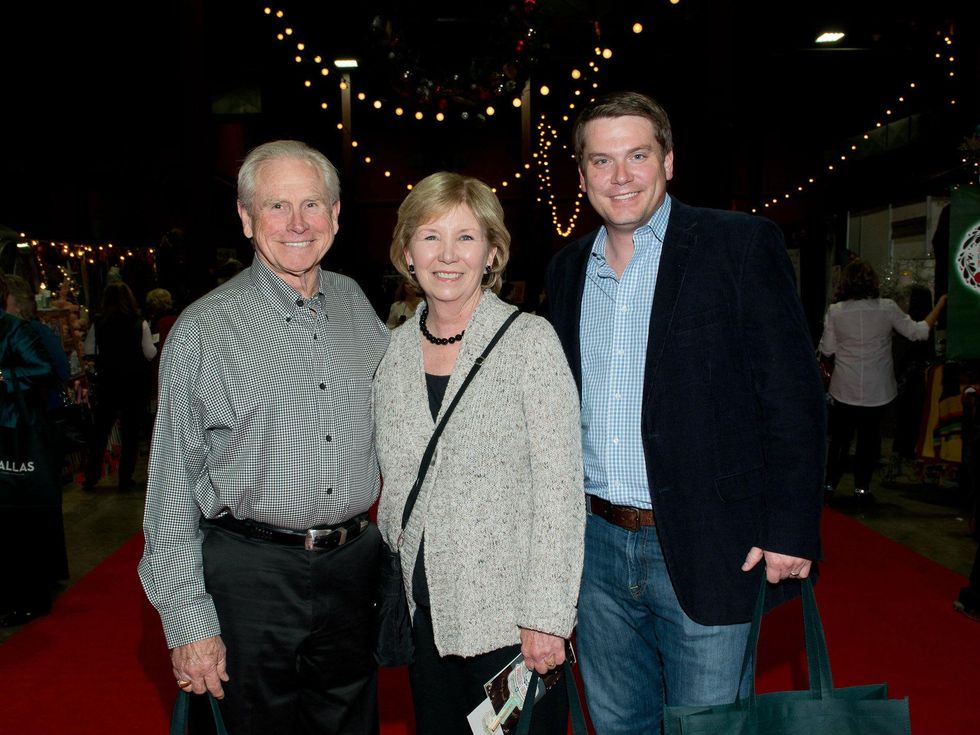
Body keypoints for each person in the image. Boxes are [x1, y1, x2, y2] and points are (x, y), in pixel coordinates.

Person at [544, 91, 827, 733]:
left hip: (714, 544)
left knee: (710, 726)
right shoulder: (565, 272)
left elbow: (793, 396)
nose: (620, 177)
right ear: (582, 173)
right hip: (596, 549)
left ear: (668, 161)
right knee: (618, 726)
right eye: (601, 161)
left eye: (637, 156)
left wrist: (790, 526)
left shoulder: (739, 245)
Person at [138, 140, 390, 734]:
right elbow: (171, 485)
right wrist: (188, 621)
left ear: (335, 215)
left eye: (312, 205)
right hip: (249, 576)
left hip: (353, 570)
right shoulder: (203, 328)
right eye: (277, 207)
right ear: (247, 219)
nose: (297, 224)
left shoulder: (356, 304)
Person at [374, 171, 584, 734]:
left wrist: (546, 614)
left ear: (492, 252)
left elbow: (561, 489)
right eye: (430, 236)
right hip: (426, 616)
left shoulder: (529, 342)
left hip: (511, 623)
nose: (447, 255)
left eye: (466, 237)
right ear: (406, 251)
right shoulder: (391, 354)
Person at [818, 259, 946, 502]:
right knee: (869, 439)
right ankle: (862, 490)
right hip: (878, 389)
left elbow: (828, 348)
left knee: (840, 439)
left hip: (845, 386)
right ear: (873, 282)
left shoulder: (836, 311)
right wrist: (939, 304)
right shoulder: (887, 308)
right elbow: (917, 332)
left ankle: (829, 486)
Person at [0, 273, 67, 627]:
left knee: (20, 519)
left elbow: (45, 370)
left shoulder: (15, 329)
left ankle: (29, 596)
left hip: (16, 436)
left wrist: (2, 376)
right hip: (10, 431)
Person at [82, 281, 156, 492]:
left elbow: (89, 349)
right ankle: (125, 478)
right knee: (130, 434)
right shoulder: (138, 322)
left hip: (108, 382)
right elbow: (150, 352)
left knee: (100, 432)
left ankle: (91, 476)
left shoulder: (98, 323)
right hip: (133, 384)